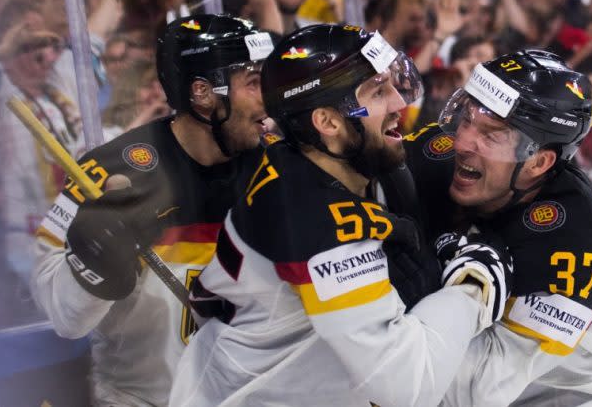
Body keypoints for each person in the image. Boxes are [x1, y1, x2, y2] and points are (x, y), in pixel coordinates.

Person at [170, 24, 512, 407]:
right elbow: (407, 386)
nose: (401, 104)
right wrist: (471, 289)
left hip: (276, 379)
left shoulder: (329, 164)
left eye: (394, 85)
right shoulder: (314, 221)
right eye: (379, 91)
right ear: (328, 123)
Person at [31, 14, 274, 406]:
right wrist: (95, 267)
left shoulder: (279, 172)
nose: (269, 96)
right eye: (253, 82)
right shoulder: (107, 172)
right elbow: (65, 318)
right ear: (202, 93)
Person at [404, 50, 592, 406]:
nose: (462, 144)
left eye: (491, 135)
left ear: (539, 162)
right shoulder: (434, 154)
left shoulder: (578, 239)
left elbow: (475, 389)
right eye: (467, 119)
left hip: (586, 397)